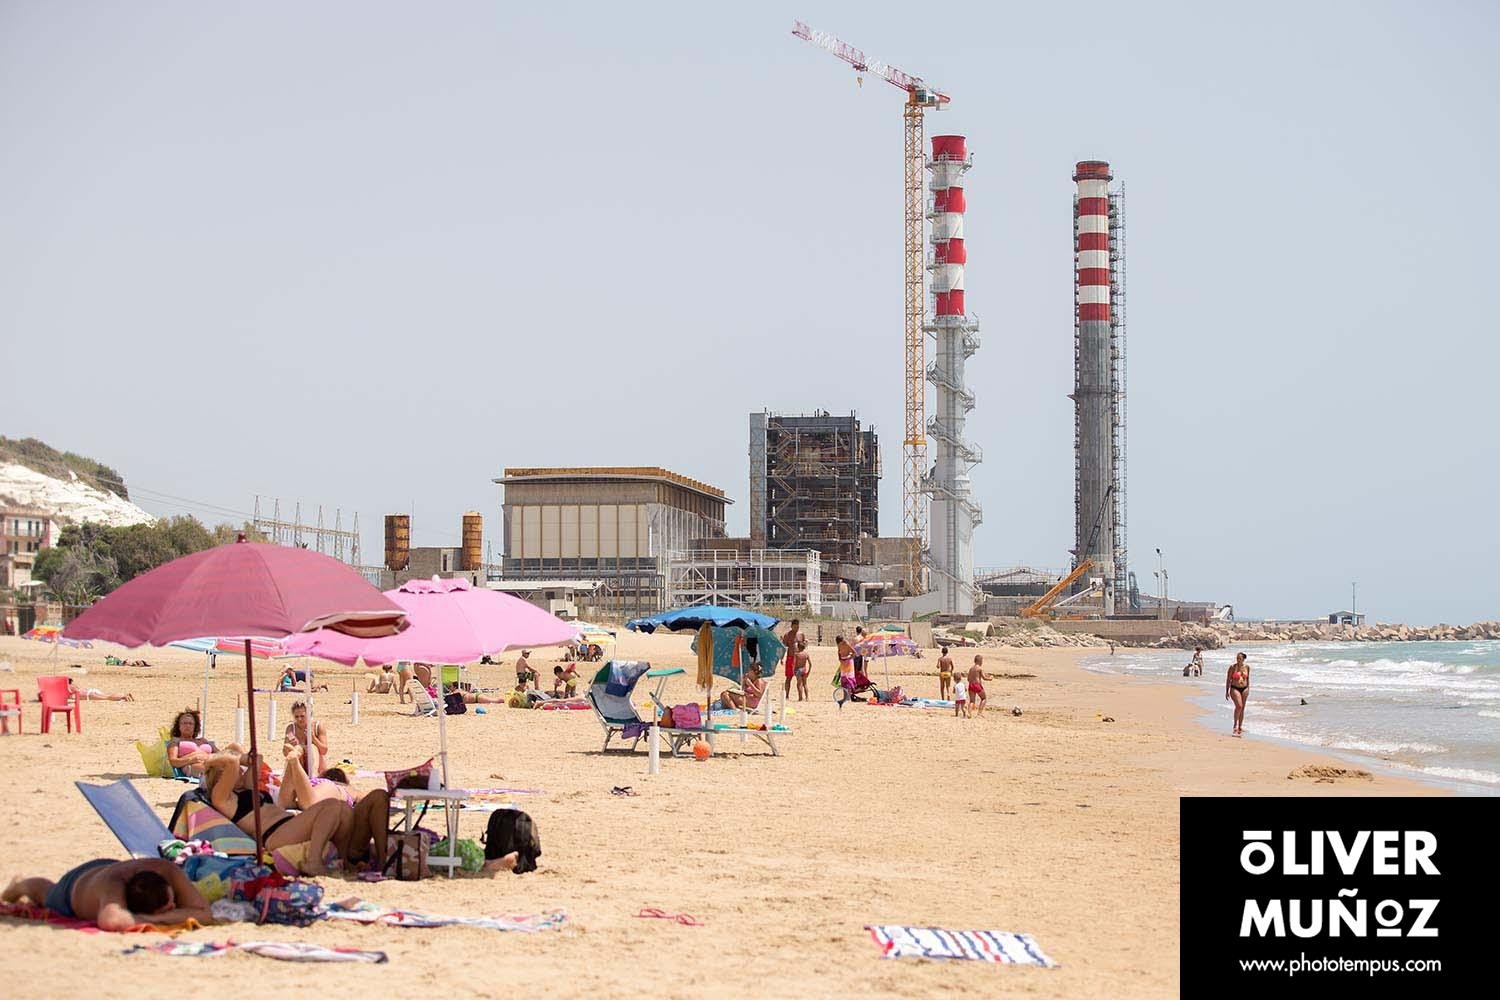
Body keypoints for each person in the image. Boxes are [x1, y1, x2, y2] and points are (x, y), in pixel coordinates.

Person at [203, 751, 351, 876]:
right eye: (237, 771)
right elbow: (231, 762)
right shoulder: (222, 798)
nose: (241, 772)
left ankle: (346, 860)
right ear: (221, 778)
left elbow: (257, 759)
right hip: (275, 834)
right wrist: (211, 760)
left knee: (343, 809)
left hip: (289, 824)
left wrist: (238, 759)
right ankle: (314, 862)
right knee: (331, 806)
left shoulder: (246, 789)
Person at [4, 859, 213, 930]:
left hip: (107, 865)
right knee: (45, 892)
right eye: (169, 907)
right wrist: (159, 919)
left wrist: (156, 916)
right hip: (75, 888)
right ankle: (18, 886)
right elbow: (113, 921)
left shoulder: (167, 870)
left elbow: (205, 913)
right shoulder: (113, 887)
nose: (176, 908)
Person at [275, 749, 390, 871]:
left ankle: (293, 765)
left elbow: (285, 803)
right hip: (338, 833)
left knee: (289, 803)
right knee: (379, 795)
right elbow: (374, 800)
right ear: (346, 781)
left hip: (306, 817)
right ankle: (383, 861)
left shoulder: (312, 783)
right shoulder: (344, 788)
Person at [165, 708, 219, 777]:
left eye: (190, 724)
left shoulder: (202, 740)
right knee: (213, 772)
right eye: (184, 723)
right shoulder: (176, 741)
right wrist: (191, 759)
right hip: (193, 765)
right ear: (179, 726)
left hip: (211, 761)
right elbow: (173, 761)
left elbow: (220, 754)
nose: (187, 726)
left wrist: (212, 747)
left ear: (195, 727)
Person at [283, 700, 330, 768]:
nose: (299, 719)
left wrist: (313, 739)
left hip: (317, 766)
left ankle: (313, 775)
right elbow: (285, 753)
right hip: (299, 765)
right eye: (296, 716)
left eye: (302, 716)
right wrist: (290, 746)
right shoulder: (291, 729)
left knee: (312, 747)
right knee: (297, 748)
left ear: (309, 714)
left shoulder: (318, 726)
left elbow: (324, 751)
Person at [1226, 652, 1250, 736]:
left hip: (1245, 688)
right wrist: (1227, 691)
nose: (1238, 659)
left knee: (1242, 708)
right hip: (1234, 688)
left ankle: (1240, 726)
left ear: (1243, 659)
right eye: (1237, 658)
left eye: (1240, 658)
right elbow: (1228, 679)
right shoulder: (1233, 667)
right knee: (1239, 706)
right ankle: (1235, 725)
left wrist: (1248, 688)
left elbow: (1248, 679)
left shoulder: (1247, 667)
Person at [781, 618, 802, 700]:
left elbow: (803, 646)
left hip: (799, 660)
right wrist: (781, 658)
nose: (796, 628)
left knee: (799, 678)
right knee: (788, 677)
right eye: (795, 627)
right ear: (792, 626)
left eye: (798, 627)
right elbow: (784, 647)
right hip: (790, 658)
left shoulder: (801, 634)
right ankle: (786, 695)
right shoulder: (787, 635)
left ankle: (800, 697)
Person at [67, 679, 133, 701]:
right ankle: (123, 695)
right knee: (107, 696)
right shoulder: (72, 686)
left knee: (107, 697)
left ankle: (123, 696)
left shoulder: (67, 688)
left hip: (89, 694)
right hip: (90, 691)